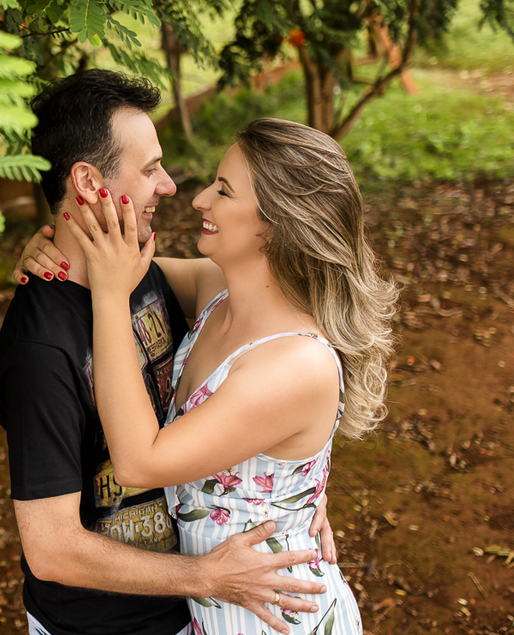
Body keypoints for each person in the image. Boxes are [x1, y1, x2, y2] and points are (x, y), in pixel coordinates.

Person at [20, 116, 397, 635]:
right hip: (209, 610)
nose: (198, 199)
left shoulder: (296, 365)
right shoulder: (219, 290)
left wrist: (109, 296)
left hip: (272, 614)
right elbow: (108, 265)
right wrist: (50, 253)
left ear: (276, 222)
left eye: (223, 190)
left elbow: (138, 461)